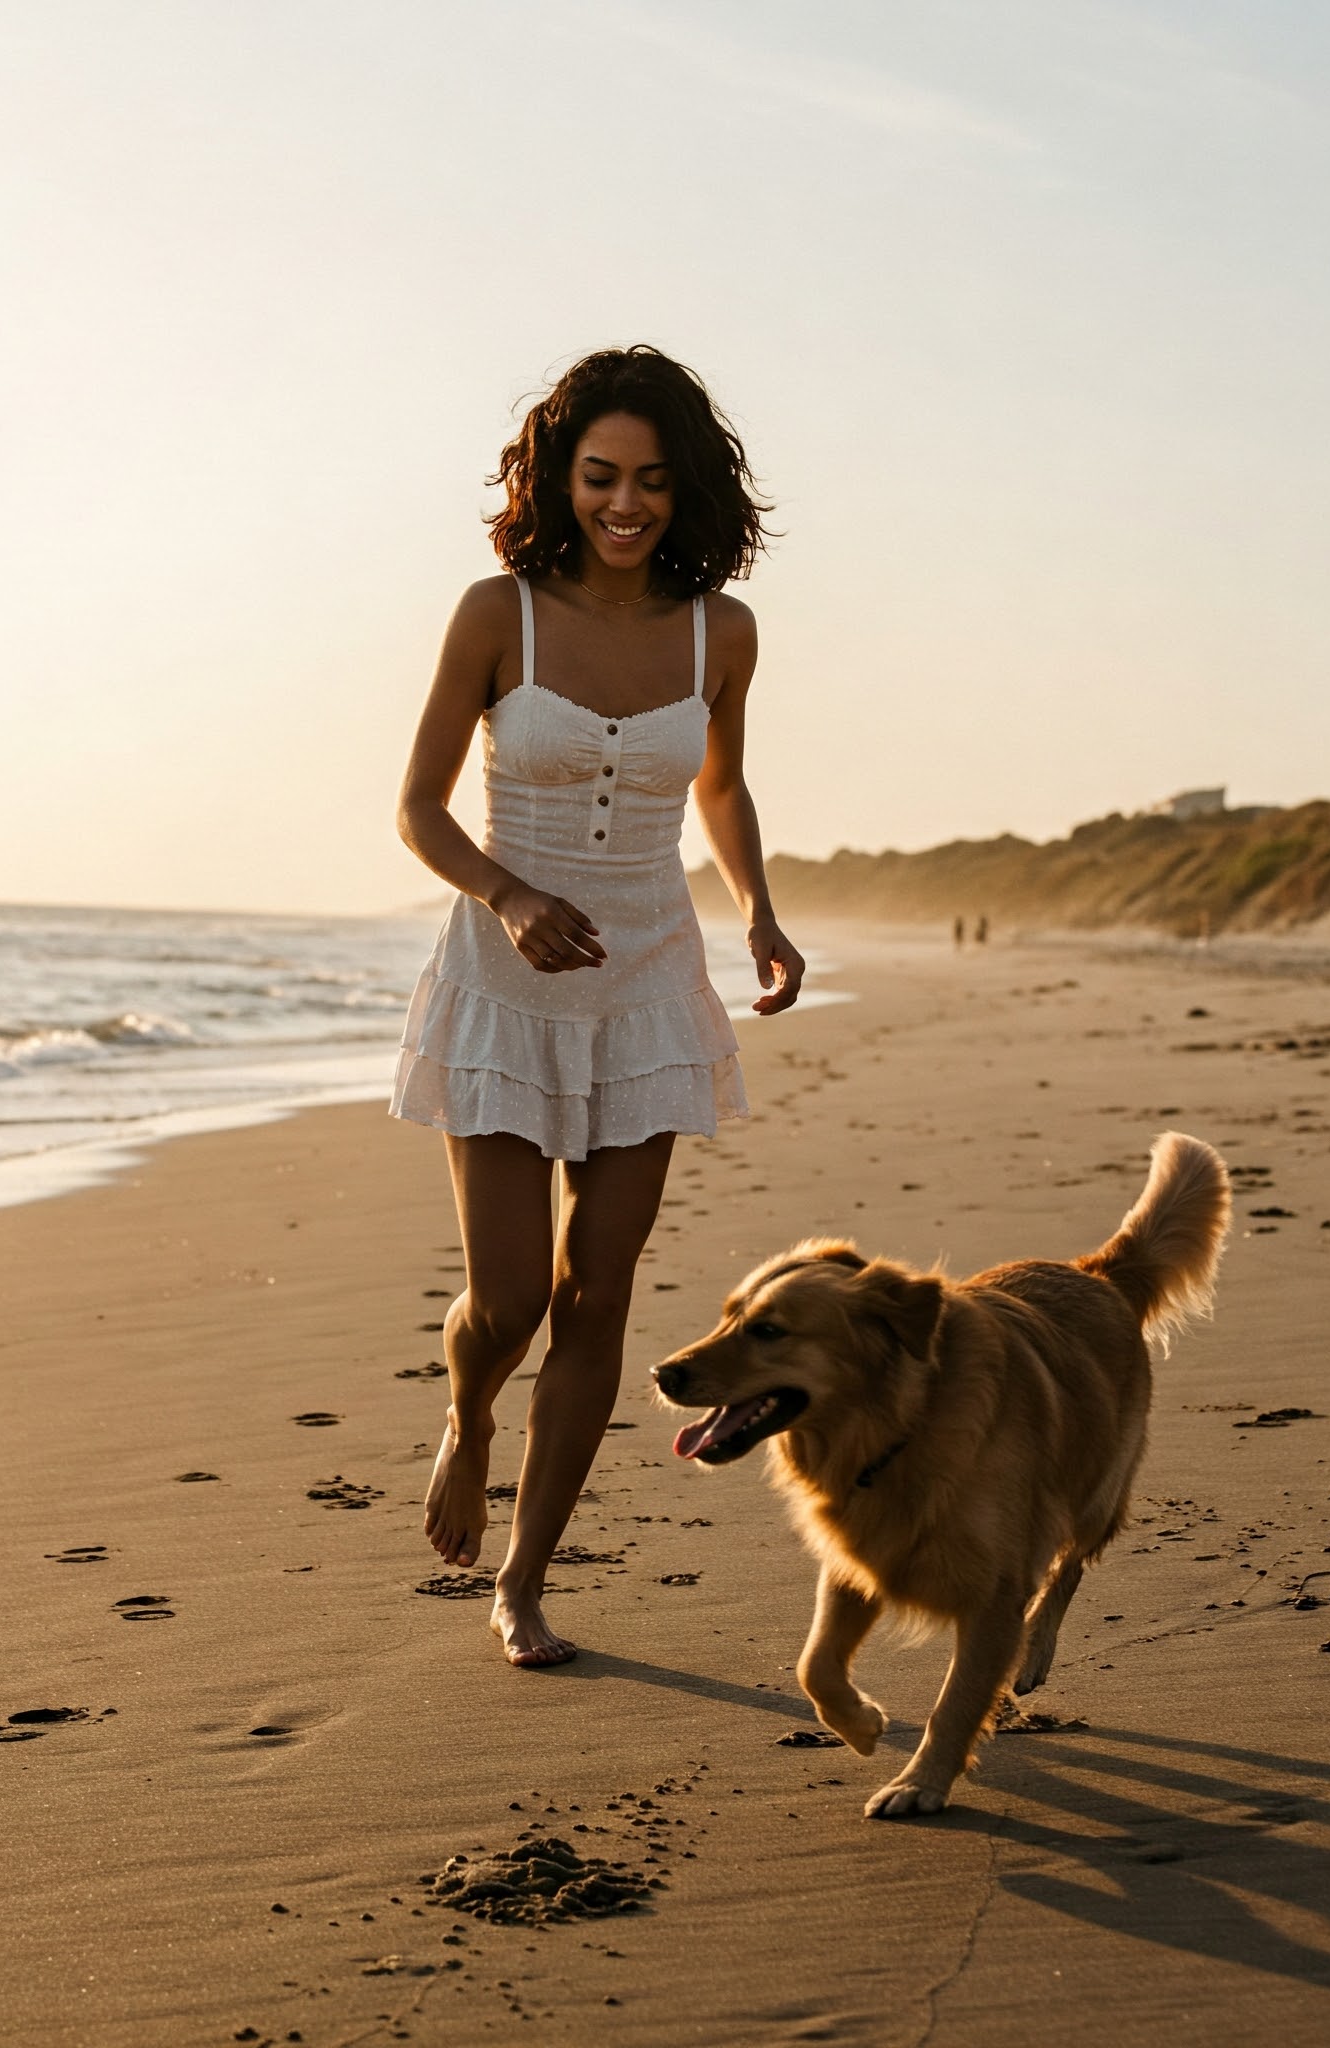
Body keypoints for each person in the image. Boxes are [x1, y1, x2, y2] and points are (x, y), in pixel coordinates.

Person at [391, 346, 803, 1667]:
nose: (625, 503)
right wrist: (509, 897)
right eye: (601, 477)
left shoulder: (719, 632)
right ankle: (468, 1419)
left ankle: (525, 1581)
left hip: (647, 987)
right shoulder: (493, 614)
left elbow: (721, 791)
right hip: (504, 985)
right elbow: (418, 809)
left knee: (599, 1294)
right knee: (507, 1302)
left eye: (651, 481)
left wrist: (759, 910)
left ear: (689, 491)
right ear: (558, 479)